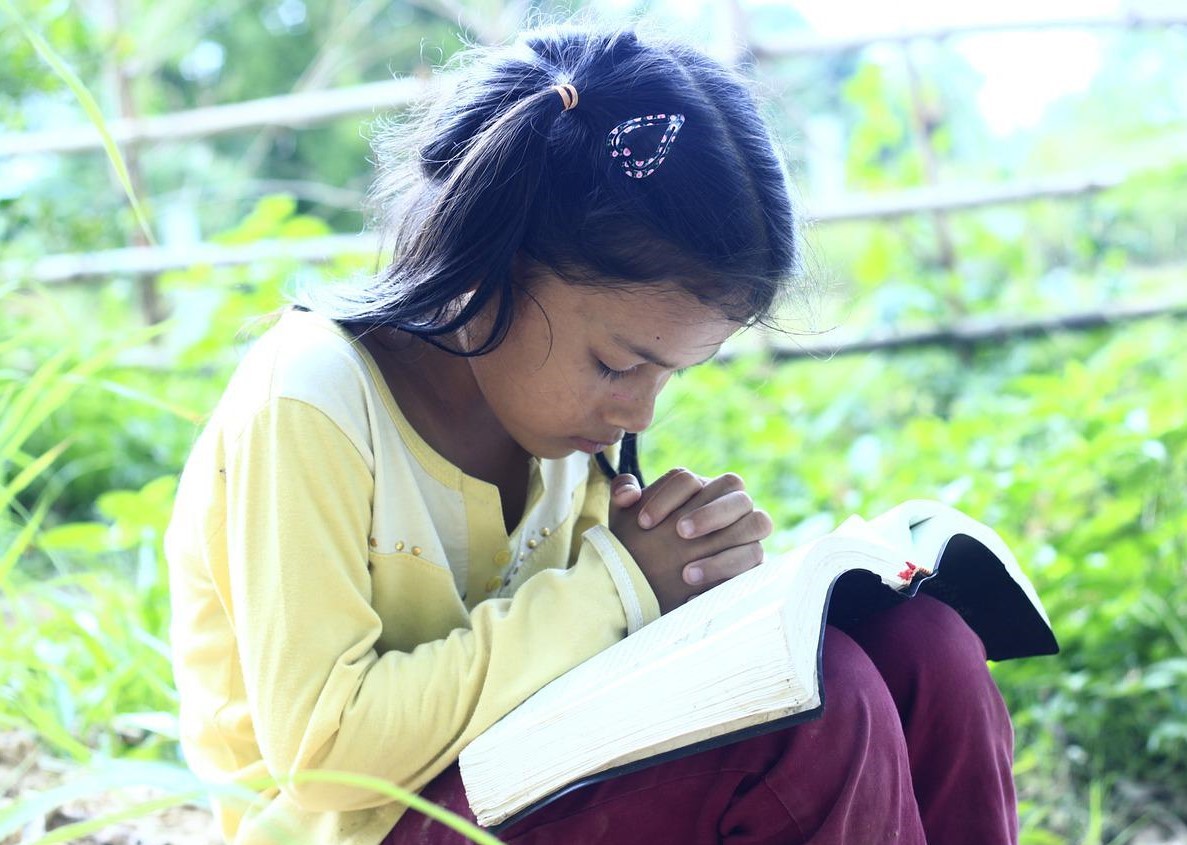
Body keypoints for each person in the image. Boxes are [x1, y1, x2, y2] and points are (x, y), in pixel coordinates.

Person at [165, 25, 1017, 845]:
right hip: (363, 827)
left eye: (668, 375)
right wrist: (617, 587)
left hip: (521, 781)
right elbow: (327, 758)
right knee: (820, 722)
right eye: (617, 365)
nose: (640, 413)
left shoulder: (557, 434)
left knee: (924, 650)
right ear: (486, 267)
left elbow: (575, 683)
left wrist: (697, 591)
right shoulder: (311, 399)